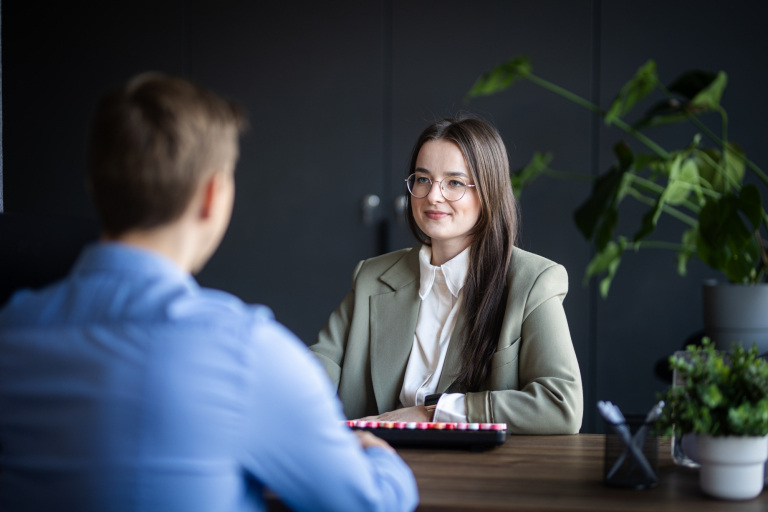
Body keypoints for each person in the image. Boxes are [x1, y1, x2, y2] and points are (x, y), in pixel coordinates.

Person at [0, 74, 418, 512]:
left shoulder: (12, 329)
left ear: (96, 185)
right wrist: (379, 456)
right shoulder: (247, 350)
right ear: (213, 194)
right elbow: (370, 505)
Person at [310, 116, 583, 434]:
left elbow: (562, 404)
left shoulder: (533, 281)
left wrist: (433, 412)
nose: (432, 196)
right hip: (374, 452)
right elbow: (312, 371)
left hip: (475, 462)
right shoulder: (372, 276)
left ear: (489, 191)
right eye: (423, 179)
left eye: (454, 182)